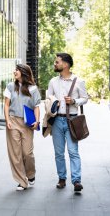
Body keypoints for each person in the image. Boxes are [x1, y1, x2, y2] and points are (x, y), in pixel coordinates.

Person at [46, 53, 88, 192]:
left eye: (57, 62)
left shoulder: (78, 81)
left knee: (73, 151)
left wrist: (74, 101)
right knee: (58, 152)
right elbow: (48, 98)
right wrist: (52, 103)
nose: (55, 64)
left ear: (65, 64)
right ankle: (62, 179)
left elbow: (85, 98)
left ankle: (76, 181)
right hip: (57, 120)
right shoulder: (53, 81)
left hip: (72, 120)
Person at [4, 64, 41, 191]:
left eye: (17, 70)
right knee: (16, 153)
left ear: (24, 72)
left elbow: (36, 106)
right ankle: (21, 181)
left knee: (27, 152)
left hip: (27, 123)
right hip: (13, 120)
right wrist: (7, 120)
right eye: (15, 69)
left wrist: (37, 121)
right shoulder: (10, 86)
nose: (15, 71)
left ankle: (30, 174)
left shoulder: (33, 88)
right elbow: (6, 105)